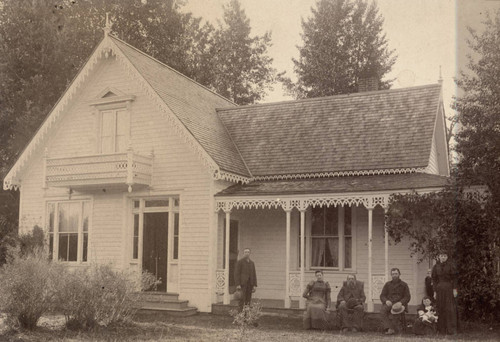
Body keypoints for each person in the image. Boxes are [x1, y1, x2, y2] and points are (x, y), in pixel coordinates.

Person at [432, 252, 458, 335]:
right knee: (440, 308)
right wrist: (435, 292)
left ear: (447, 257)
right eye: (441, 256)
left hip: (448, 288)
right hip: (439, 289)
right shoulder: (436, 267)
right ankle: (441, 329)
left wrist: (454, 289)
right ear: (439, 257)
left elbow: (454, 278)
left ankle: (450, 329)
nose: (443, 257)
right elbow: (434, 280)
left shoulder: (451, 266)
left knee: (449, 308)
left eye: (444, 256)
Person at [379, 268, 411, 335]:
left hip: (399, 304)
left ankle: (396, 329)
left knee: (395, 313)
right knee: (382, 311)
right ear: (391, 275)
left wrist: (401, 302)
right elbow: (382, 295)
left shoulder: (404, 285)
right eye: (393, 274)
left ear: (399, 274)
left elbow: (407, 297)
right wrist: (386, 301)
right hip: (389, 303)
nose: (394, 275)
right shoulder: (387, 284)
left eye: (396, 274)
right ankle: (389, 329)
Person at [234, 248, 257, 312]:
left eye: (248, 252)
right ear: (243, 253)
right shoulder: (240, 262)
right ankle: (240, 314)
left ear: (250, 253)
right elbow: (236, 274)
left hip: (250, 284)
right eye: (245, 252)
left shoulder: (252, 263)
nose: (247, 253)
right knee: (242, 299)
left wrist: (254, 285)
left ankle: (246, 314)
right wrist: (238, 284)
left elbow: (254, 274)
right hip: (242, 284)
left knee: (248, 299)